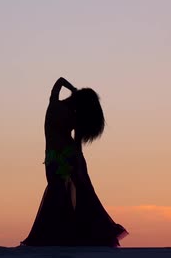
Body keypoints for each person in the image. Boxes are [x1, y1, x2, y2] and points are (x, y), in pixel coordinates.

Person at [21, 77, 128, 247]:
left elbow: (59, 81)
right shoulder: (72, 114)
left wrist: (73, 89)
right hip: (66, 156)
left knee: (60, 192)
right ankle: (74, 234)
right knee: (78, 192)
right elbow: (77, 144)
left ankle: (58, 235)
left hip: (55, 156)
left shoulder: (54, 103)